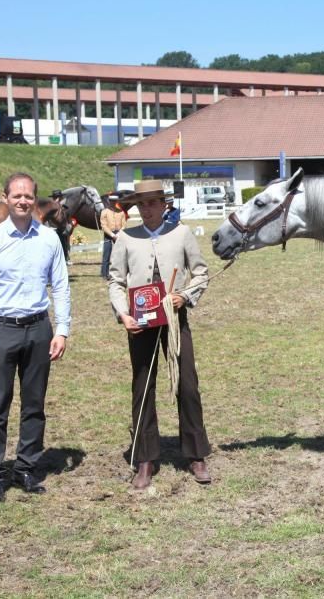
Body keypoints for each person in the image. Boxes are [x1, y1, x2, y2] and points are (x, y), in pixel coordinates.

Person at [0, 172, 72, 503]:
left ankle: (26, 467)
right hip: (0, 330)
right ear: (6, 198)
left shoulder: (49, 239)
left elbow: (61, 286)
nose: (23, 200)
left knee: (35, 404)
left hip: (39, 329)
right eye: (17, 196)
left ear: (35, 198)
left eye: (28, 195)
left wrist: (62, 328)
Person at [107, 179, 211, 491]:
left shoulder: (181, 234)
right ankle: (145, 458)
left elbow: (201, 272)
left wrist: (186, 296)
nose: (148, 209)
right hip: (139, 323)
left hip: (175, 319)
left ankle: (195, 453)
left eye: (153, 203)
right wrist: (123, 313)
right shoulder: (126, 237)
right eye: (142, 204)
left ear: (164, 204)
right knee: (142, 386)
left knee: (188, 384)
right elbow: (115, 280)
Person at [99, 194, 127, 280]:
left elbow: (124, 224)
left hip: (119, 234)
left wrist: (119, 233)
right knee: (106, 254)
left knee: (120, 254)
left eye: (114, 201)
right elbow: (103, 225)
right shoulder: (104, 212)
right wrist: (112, 235)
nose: (113, 203)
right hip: (108, 234)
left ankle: (120, 272)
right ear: (109, 202)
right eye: (111, 201)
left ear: (116, 202)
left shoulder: (121, 212)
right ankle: (104, 273)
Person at [50, 189, 73, 265]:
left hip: (61, 232)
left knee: (63, 250)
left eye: (58, 197)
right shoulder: (49, 208)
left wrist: (68, 230)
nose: (56, 199)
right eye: (55, 198)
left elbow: (70, 222)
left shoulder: (65, 209)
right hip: (51, 232)